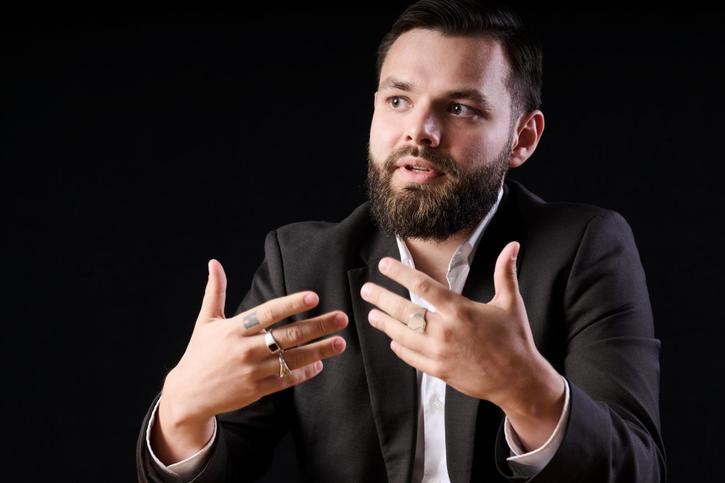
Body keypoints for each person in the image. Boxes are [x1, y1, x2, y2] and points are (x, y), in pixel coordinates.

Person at [136, 1, 666, 481]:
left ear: (522, 138)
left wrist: (527, 392)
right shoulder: (301, 263)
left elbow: (640, 470)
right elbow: (227, 465)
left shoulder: (585, 248)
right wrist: (182, 411)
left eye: (460, 108)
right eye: (398, 100)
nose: (419, 131)